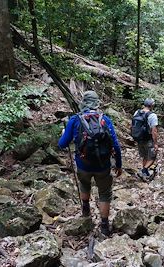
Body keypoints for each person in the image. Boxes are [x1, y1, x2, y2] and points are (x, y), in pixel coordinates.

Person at [58, 91, 122, 236]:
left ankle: (86, 211)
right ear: (97, 103)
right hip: (103, 166)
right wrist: (118, 165)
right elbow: (116, 146)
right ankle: (104, 226)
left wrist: (64, 134)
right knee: (105, 193)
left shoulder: (75, 120)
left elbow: (62, 144)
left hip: (83, 164)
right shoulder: (105, 119)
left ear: (83, 103)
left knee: (84, 184)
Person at [133, 98, 159, 180]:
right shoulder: (152, 115)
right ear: (152, 105)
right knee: (152, 157)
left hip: (139, 138)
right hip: (148, 139)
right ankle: (143, 170)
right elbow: (154, 131)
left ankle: (145, 173)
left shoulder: (137, 112)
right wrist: (155, 143)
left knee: (145, 156)